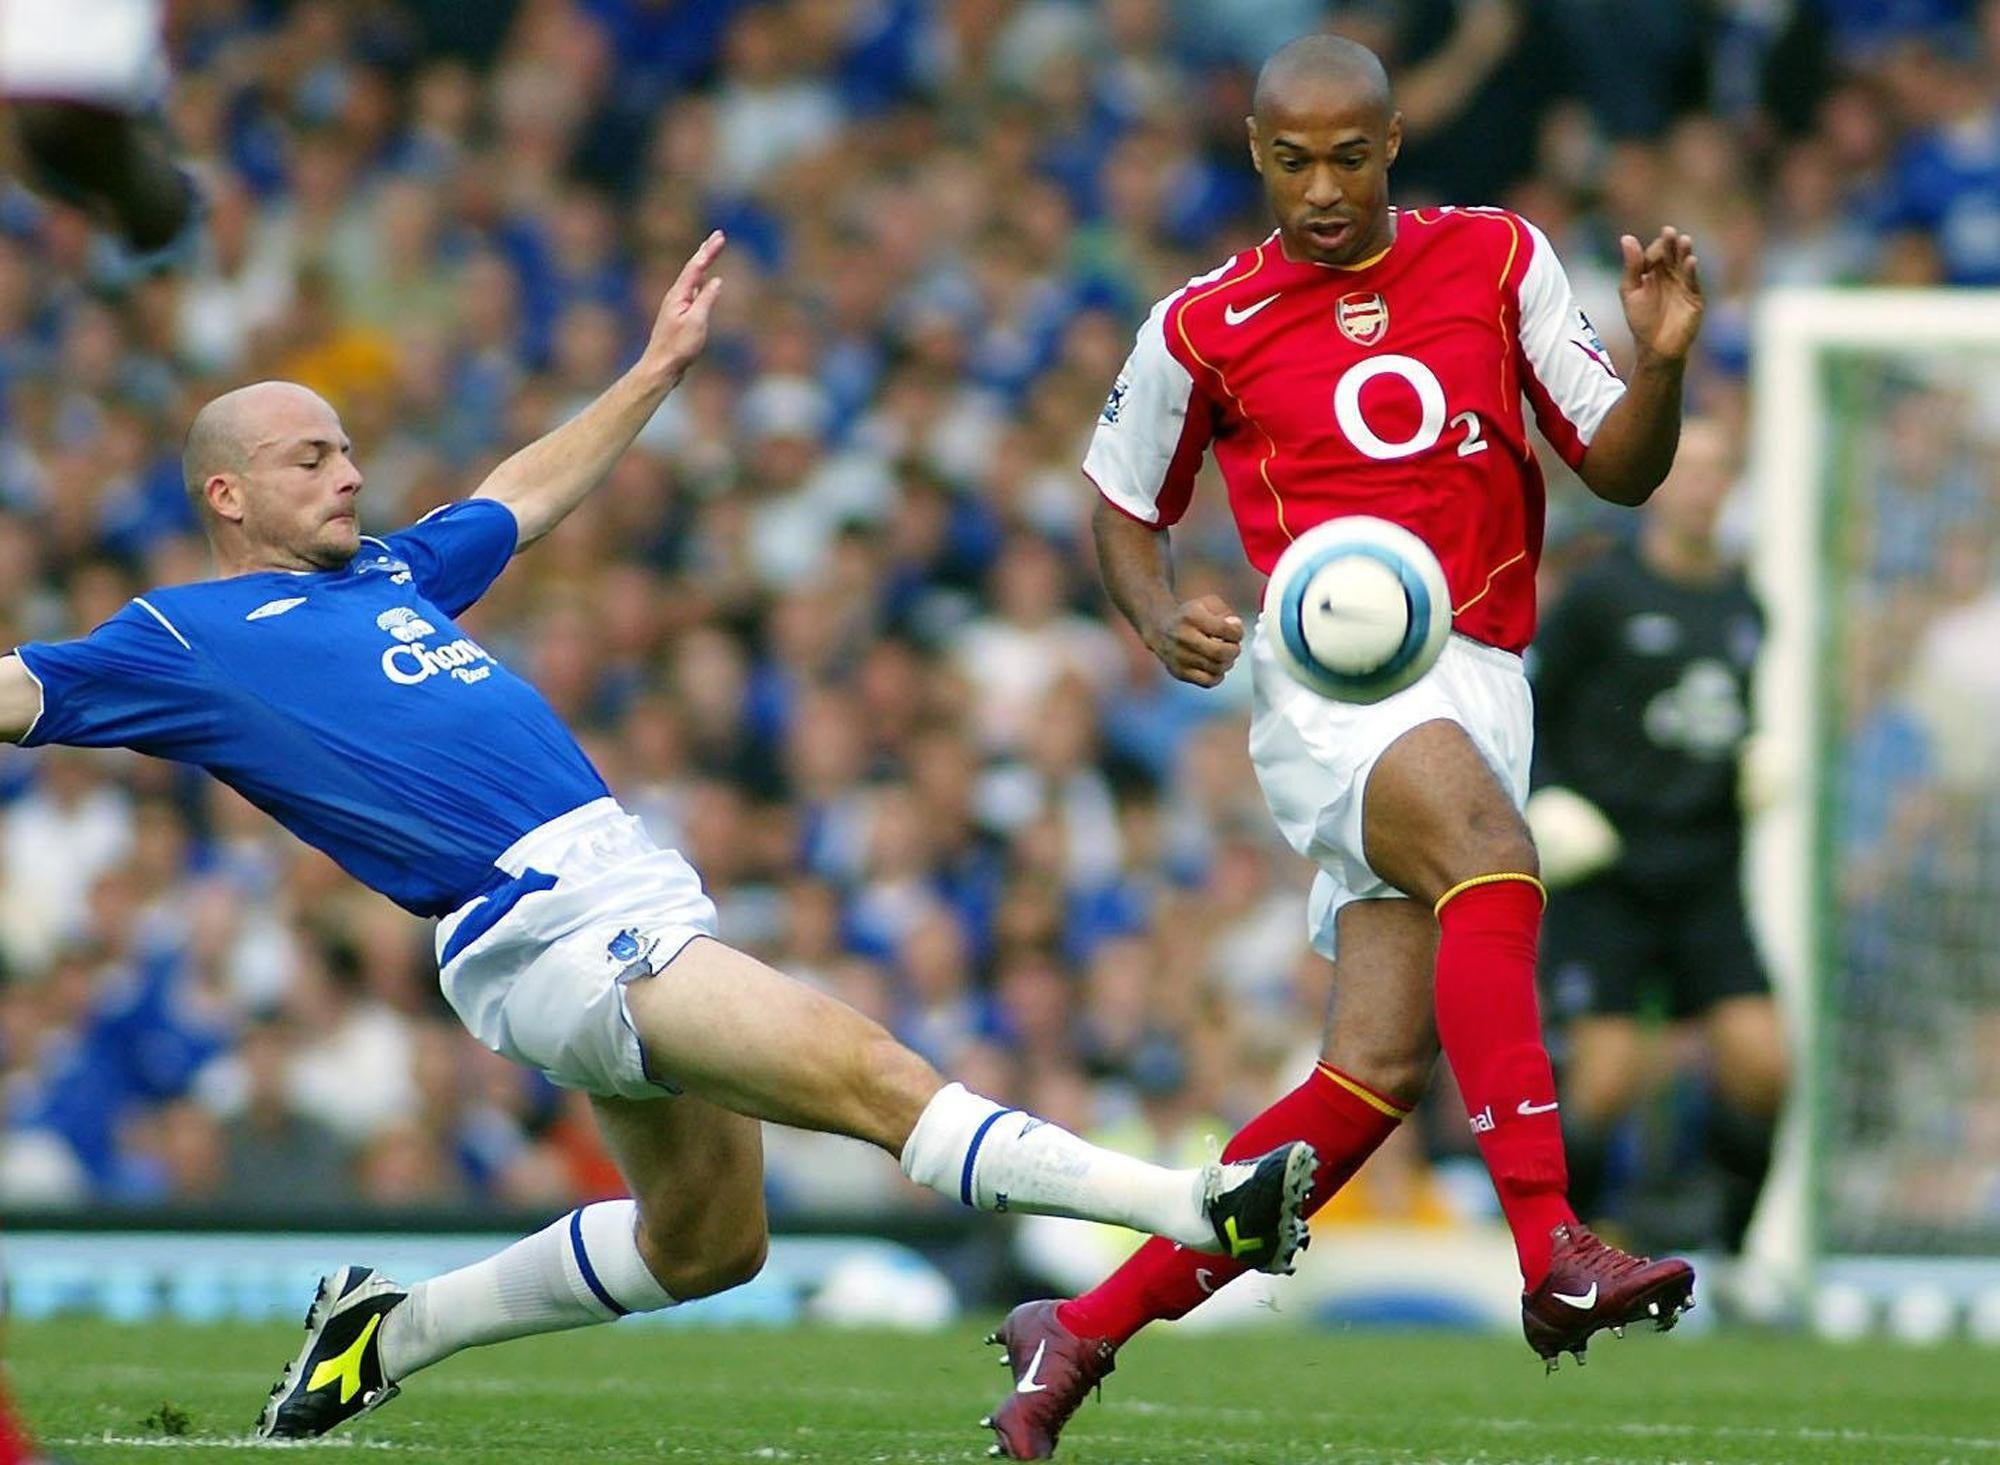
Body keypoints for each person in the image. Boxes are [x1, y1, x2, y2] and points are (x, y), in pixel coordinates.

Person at [0, 233, 1318, 1441]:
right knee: (871, 1077)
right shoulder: (179, 636)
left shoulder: (386, 572)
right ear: (225, 494)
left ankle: (386, 1332)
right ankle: (1193, 1204)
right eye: (312, 458)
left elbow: (522, 492)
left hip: (613, 896)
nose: (349, 471)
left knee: (709, 1247)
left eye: (347, 449)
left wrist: (654, 372)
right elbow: (23, 689)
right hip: (549, 928)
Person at [983, 34, 1705, 1459]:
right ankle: (1555, 1245)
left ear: (1391, 149)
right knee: (1498, 855)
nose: (1322, 187)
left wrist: (1660, 367)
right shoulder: (1202, 322)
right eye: (1292, 159)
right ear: (1255, 154)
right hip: (1330, 679)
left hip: (1486, 676)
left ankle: (1084, 1324)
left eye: (1350, 157)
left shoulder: (1498, 260)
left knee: (1370, 1077)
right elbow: (1122, 499)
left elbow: (1618, 463)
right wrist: (1155, 618)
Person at [1527, 419, 1788, 1263]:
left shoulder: (1746, 605)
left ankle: (1735, 1258)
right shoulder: (1602, 596)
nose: (1706, 486)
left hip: (1707, 872)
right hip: (1609, 870)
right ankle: (1570, 1256)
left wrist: (1755, 758)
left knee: (1762, 1064)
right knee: (1602, 1082)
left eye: (1721, 470)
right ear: (1661, 485)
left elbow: (1727, 716)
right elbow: (1533, 706)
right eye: (1692, 469)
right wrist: (1549, 798)